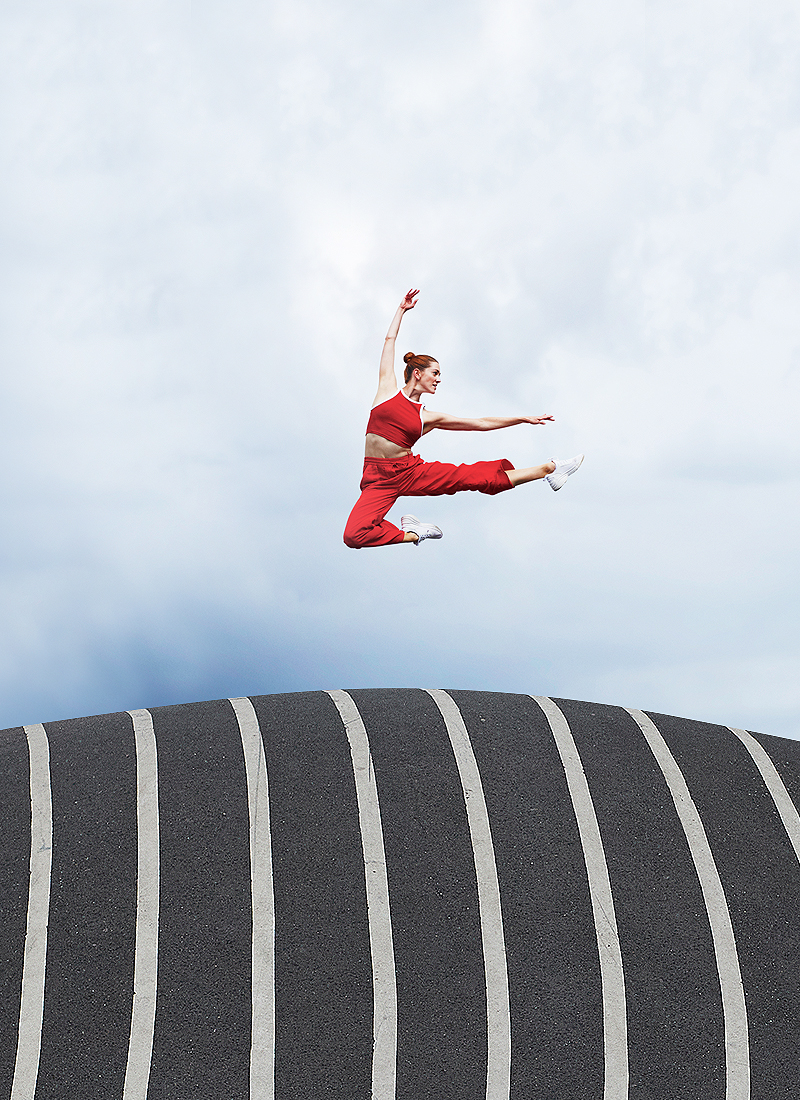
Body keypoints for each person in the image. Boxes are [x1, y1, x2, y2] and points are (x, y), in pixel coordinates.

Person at [343, 289, 584, 548]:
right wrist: (401, 310)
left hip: (409, 471)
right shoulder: (386, 390)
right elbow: (389, 340)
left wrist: (521, 418)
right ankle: (415, 533)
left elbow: (480, 424)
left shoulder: (427, 417)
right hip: (377, 480)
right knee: (353, 536)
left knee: (471, 477)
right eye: (434, 372)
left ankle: (550, 469)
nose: (438, 378)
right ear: (416, 373)